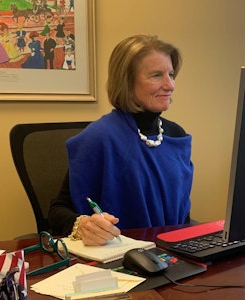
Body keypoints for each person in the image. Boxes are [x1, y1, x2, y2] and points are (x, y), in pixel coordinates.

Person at [49, 35, 193, 246]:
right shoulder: (99, 137)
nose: (169, 85)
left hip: (175, 253)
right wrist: (83, 225)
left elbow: (183, 213)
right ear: (126, 81)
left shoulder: (176, 135)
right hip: (119, 257)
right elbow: (57, 210)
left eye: (171, 74)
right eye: (156, 75)